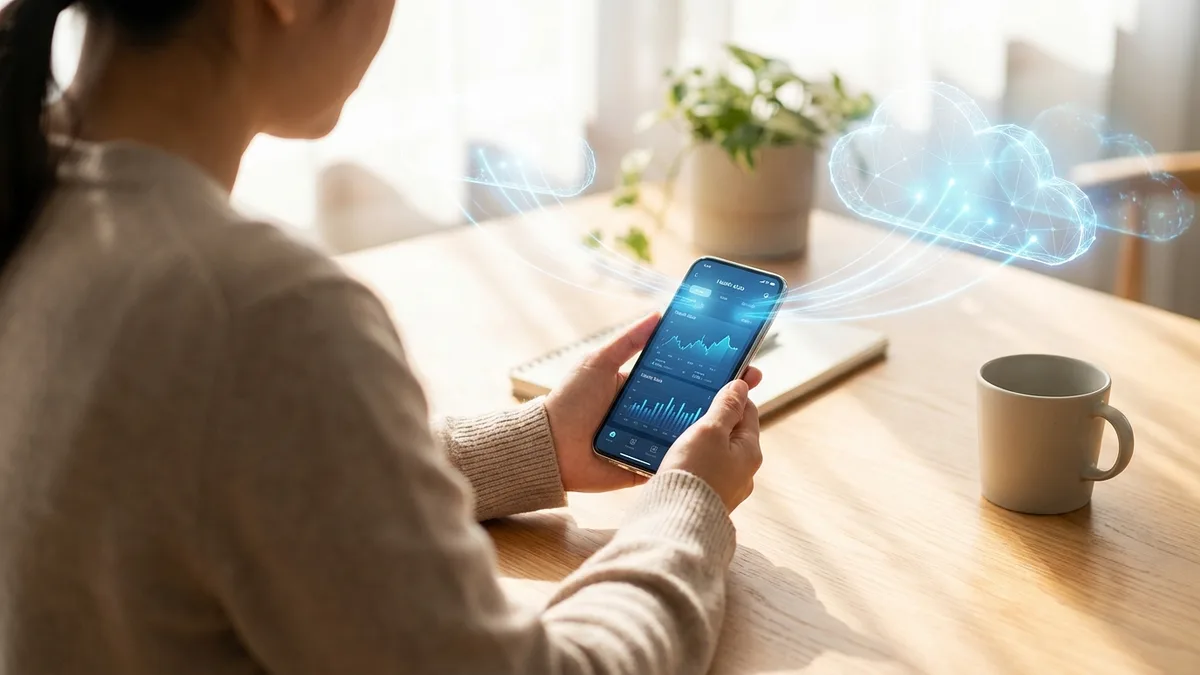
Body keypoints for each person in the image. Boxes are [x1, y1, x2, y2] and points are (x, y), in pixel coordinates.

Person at [0, 1, 765, 673]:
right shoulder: (258, 312)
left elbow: (226, 468)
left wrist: (535, 446)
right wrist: (687, 508)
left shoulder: (37, 198)